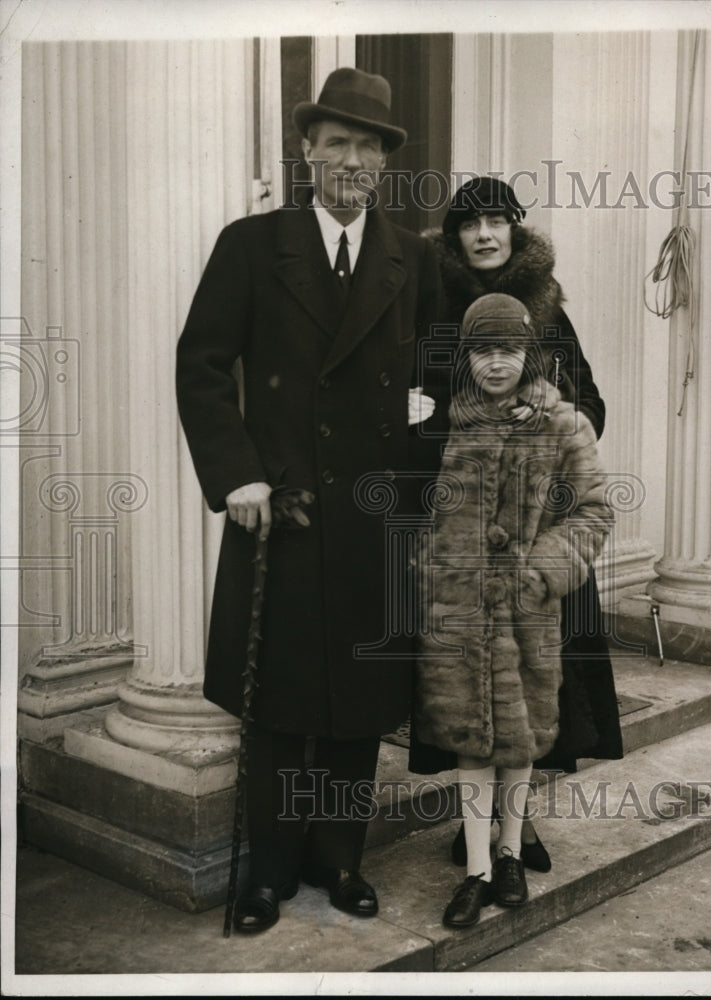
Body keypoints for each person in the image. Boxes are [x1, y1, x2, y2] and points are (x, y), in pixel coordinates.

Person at [176, 67, 441, 933]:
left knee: (359, 701)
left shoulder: (413, 257)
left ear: (384, 160)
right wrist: (235, 474)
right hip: (280, 511)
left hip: (371, 516)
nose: (352, 161)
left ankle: (339, 860)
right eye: (336, 144)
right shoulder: (252, 245)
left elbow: (442, 369)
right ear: (306, 151)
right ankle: (268, 871)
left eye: (367, 146)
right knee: (280, 701)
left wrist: (422, 438)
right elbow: (201, 365)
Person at [410, 174, 623, 872]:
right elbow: (414, 405)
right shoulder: (431, 305)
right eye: (469, 224)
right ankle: (475, 832)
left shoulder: (547, 306)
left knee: (539, 680)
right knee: (464, 685)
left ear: (514, 228)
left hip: (539, 529)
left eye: (496, 221)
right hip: (465, 532)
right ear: (453, 238)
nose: (483, 235)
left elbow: (588, 401)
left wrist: (554, 420)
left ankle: (518, 827)